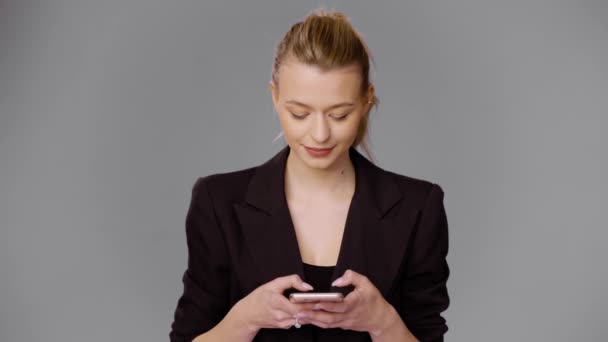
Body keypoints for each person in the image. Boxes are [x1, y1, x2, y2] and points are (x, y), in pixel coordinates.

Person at [169, 9, 450, 342]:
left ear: (365, 101)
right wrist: (245, 318)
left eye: (339, 114)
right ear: (275, 97)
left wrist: (383, 322)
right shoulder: (218, 203)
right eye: (299, 113)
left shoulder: (418, 208)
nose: (319, 134)